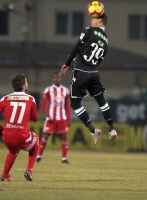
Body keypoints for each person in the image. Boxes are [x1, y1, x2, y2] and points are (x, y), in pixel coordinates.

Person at [60, 13, 117, 144]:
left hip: (81, 72)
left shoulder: (88, 31)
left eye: (94, 18)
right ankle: (112, 129)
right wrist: (81, 58)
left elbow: (77, 46)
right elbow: (96, 59)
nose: (91, 20)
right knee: (101, 101)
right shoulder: (106, 41)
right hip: (94, 73)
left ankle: (93, 130)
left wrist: (67, 63)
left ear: (100, 21)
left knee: (74, 103)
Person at [0, 74, 39, 182]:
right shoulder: (31, 99)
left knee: (14, 150)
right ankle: (29, 170)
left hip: (6, 136)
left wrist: (0, 129)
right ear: (23, 86)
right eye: (26, 82)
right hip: (21, 135)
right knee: (36, 139)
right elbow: (35, 118)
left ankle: (5, 175)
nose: (27, 84)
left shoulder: (4, 98)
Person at [36, 72, 71, 164]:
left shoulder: (66, 90)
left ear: (61, 78)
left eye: (58, 77)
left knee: (64, 137)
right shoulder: (48, 90)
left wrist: (69, 118)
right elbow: (44, 102)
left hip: (62, 118)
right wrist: (43, 113)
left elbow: (67, 105)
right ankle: (38, 156)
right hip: (50, 118)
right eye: (55, 78)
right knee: (45, 137)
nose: (57, 79)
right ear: (53, 78)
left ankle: (64, 158)